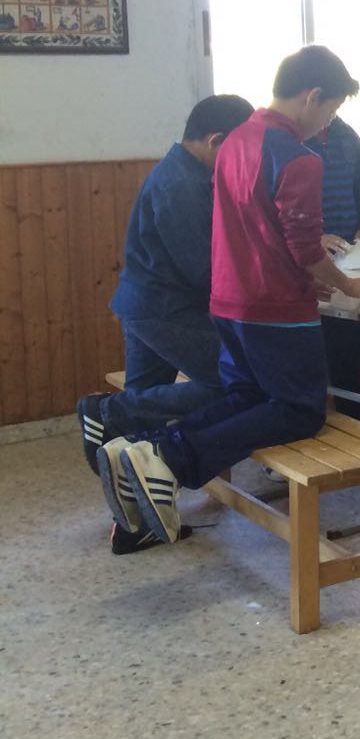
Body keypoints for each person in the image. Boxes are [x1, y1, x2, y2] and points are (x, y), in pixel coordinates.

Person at [94, 47, 360, 546]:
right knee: (301, 411)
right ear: (313, 96)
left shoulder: (235, 141)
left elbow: (253, 226)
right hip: (277, 309)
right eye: (331, 110)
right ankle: (168, 458)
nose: (327, 125)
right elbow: (303, 246)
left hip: (229, 302)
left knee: (246, 397)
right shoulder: (298, 156)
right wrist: (348, 284)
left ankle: (147, 450)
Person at [76, 93, 254, 552]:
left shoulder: (184, 173)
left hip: (145, 305)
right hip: (164, 310)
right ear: (216, 141)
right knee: (238, 383)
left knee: (140, 429)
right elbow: (205, 271)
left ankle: (133, 527)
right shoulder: (182, 185)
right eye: (239, 150)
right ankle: (107, 412)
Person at [305, 114, 360, 423]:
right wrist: (311, 237)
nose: (333, 111)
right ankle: (313, 419)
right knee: (311, 345)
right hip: (304, 257)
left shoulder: (346, 133)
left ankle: (353, 412)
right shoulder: (289, 137)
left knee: (349, 339)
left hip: (348, 255)